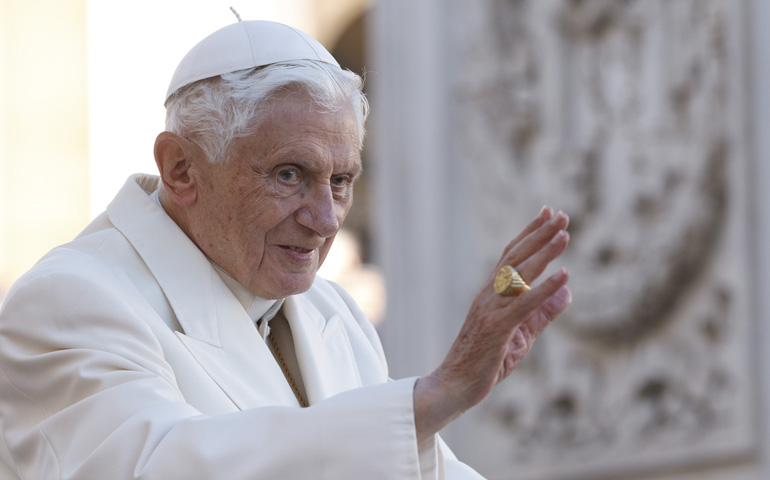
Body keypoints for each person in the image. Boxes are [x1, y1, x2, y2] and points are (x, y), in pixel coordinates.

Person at [0, 19, 571, 479]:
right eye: (289, 174)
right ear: (181, 169)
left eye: (342, 181)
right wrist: (430, 397)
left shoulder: (333, 313)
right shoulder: (70, 300)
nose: (325, 221)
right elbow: (152, 466)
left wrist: (438, 403)